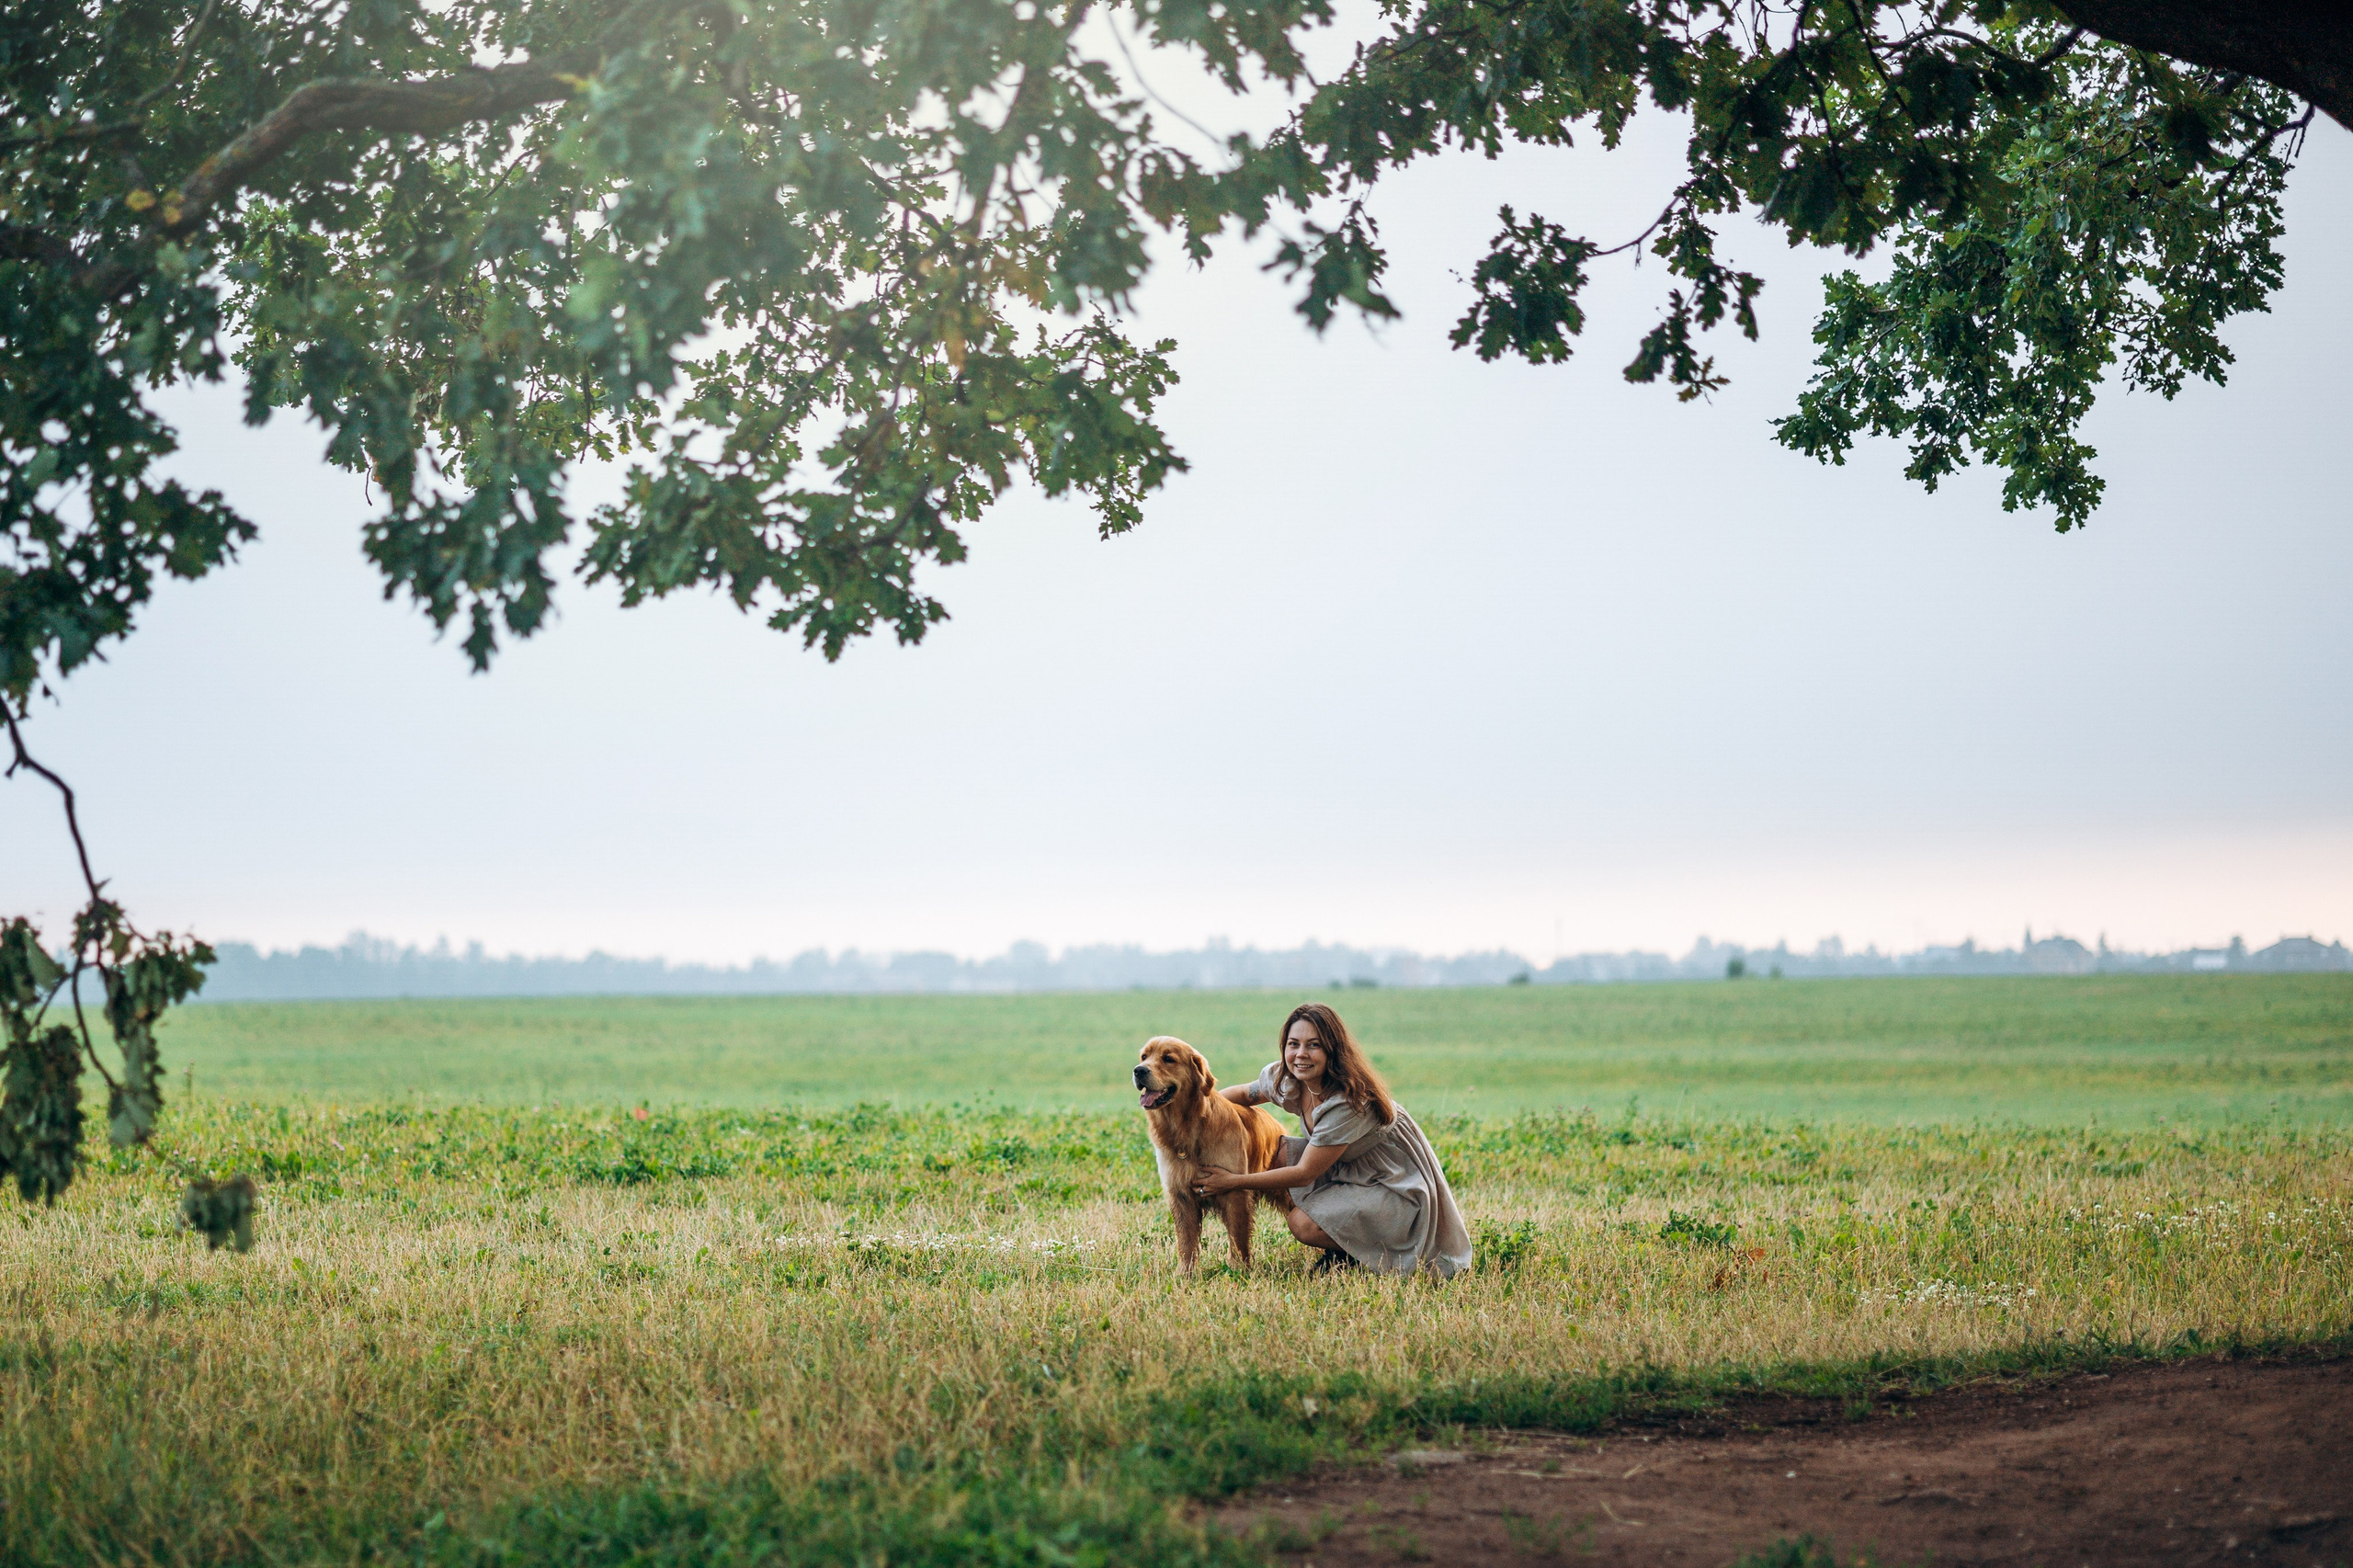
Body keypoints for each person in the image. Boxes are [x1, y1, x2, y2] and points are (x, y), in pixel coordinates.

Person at [1191, 1002, 1472, 1278]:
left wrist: (1231, 1181)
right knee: (1277, 1153)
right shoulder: (1288, 1079)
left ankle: (1353, 1254)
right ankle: (1341, 1233)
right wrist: (1200, 1118)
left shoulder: (1348, 1102)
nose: (1301, 1054)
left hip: (1391, 1179)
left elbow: (1304, 1174)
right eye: (1293, 1044)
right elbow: (1240, 1095)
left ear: (1333, 1051)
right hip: (1346, 1165)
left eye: (1314, 1045)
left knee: (1302, 1224)